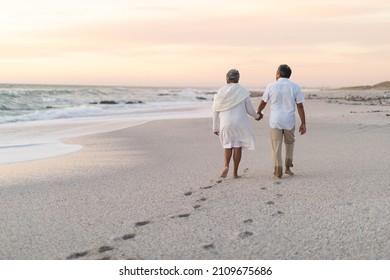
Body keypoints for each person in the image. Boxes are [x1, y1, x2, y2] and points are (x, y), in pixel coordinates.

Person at [257, 64, 306, 179]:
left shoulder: (270, 86)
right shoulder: (295, 87)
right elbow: (300, 107)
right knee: (289, 144)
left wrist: (258, 112)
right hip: (289, 120)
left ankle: (278, 172)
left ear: (278, 73)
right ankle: (288, 168)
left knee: (276, 146)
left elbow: (263, 102)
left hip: (276, 120)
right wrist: (303, 123)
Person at [212, 69, 262, 178]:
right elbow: (250, 110)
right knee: (237, 146)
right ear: (238, 78)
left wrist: (215, 127)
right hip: (240, 123)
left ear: (227, 79)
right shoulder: (243, 91)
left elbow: (215, 110)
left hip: (225, 123)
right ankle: (235, 173)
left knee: (227, 145)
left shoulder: (221, 91)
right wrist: (257, 116)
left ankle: (226, 166)